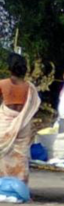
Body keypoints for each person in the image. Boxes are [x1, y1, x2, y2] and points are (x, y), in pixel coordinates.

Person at [0, 52, 41, 184]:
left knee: (2, 158)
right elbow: (33, 108)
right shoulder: (30, 88)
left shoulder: (2, 84)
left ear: (9, 67)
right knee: (20, 157)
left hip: (4, 126)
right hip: (23, 127)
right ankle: (19, 186)